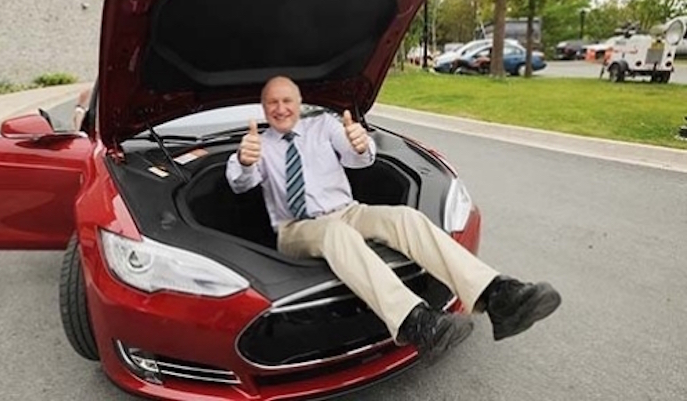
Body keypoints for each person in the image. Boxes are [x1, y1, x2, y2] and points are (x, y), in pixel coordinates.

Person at [226, 76, 561, 364]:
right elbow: (240, 182)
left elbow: (358, 156)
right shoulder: (257, 143)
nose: (280, 108)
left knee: (405, 218)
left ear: (299, 103)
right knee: (335, 233)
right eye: (272, 102)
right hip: (296, 228)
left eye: (287, 100)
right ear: (264, 107)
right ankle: (415, 323)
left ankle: (497, 295)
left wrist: (360, 145)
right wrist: (244, 159)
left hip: (348, 211)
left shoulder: (324, 126)